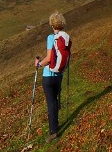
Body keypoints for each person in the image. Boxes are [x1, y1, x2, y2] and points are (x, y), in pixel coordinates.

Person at [33, 11, 69, 140]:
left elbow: (48, 58)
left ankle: (53, 131)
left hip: (49, 75)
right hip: (59, 74)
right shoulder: (65, 37)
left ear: (52, 24)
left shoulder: (51, 37)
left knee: (51, 102)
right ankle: (56, 119)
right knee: (55, 99)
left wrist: (38, 64)